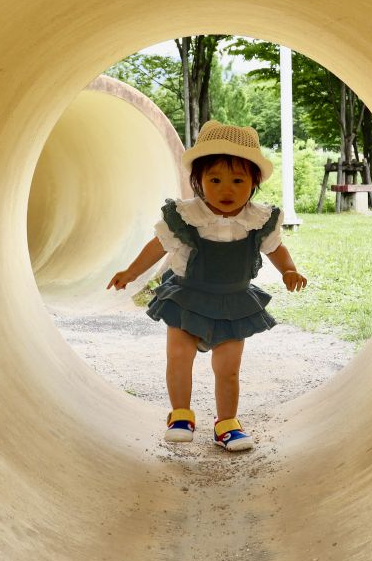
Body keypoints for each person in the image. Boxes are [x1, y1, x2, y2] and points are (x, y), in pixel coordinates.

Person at [107, 120, 308, 452]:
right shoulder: (185, 216)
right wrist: (130, 272)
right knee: (178, 355)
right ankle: (181, 415)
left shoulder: (258, 220)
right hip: (186, 297)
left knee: (228, 369)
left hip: (234, 302)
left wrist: (289, 270)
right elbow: (157, 245)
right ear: (197, 181)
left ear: (253, 183)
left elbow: (276, 249)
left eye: (237, 180)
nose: (226, 189)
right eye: (214, 179)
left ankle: (227, 423)